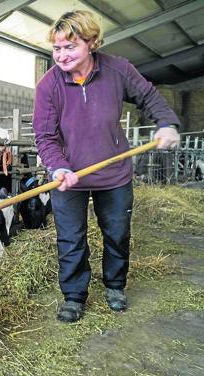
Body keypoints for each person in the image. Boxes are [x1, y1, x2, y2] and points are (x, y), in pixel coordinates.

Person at [32, 10, 181, 323]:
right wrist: (58, 167)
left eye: (70, 47)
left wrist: (166, 123)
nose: (61, 55)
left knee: (116, 232)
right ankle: (74, 295)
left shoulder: (118, 69)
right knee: (70, 238)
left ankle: (115, 286)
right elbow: (45, 136)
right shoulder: (49, 85)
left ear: (91, 43)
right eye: (56, 49)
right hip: (68, 178)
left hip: (114, 176)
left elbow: (150, 97)